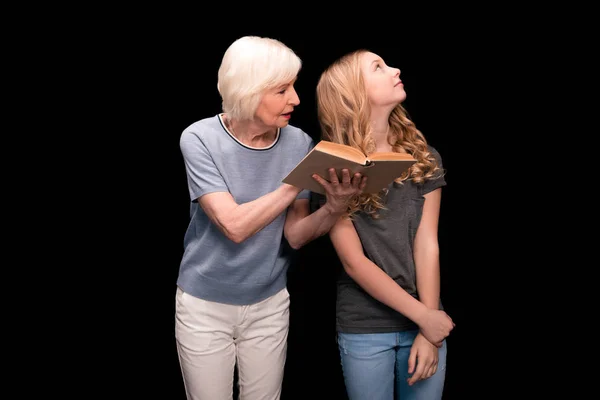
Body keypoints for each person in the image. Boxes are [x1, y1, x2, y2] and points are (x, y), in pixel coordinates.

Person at [174, 36, 367, 400]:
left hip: (269, 304)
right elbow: (233, 226)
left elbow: (295, 236)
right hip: (205, 306)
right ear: (247, 91)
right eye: (282, 90)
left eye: (293, 87)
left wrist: (333, 207)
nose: (295, 99)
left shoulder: (298, 142)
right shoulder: (199, 138)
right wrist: (297, 180)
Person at [314, 49, 455, 399]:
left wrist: (428, 326)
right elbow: (354, 262)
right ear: (353, 94)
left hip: (425, 322)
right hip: (365, 327)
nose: (395, 69)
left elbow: (427, 244)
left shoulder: (424, 156)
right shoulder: (332, 168)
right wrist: (426, 317)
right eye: (378, 67)